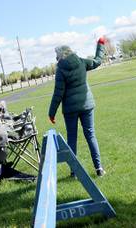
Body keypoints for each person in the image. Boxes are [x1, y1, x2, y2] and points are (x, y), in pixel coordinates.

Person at [48, 36, 107, 177]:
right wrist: (100, 45)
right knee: (91, 135)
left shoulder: (60, 69)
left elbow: (58, 93)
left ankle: (74, 171)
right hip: (87, 105)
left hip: (70, 110)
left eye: (57, 55)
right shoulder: (81, 62)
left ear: (61, 55)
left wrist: (52, 112)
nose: (56, 58)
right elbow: (98, 61)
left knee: (72, 139)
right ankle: (99, 168)